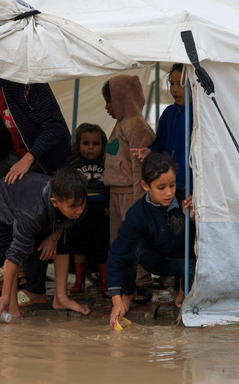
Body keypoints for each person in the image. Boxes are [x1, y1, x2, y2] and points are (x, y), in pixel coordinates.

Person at [0, 74, 71, 305]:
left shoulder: (31, 85)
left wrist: (29, 159)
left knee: (32, 214)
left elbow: (57, 129)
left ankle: (35, 289)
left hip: (44, 160)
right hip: (18, 155)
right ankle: (12, 262)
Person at [0, 167, 91, 319]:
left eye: (82, 203)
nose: (79, 210)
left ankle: (60, 298)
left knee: (63, 238)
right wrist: (5, 295)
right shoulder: (32, 214)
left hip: (33, 207)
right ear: (55, 202)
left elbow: (67, 222)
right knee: (13, 252)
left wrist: (54, 235)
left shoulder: (77, 203)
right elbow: (15, 254)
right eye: (73, 206)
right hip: (2, 208)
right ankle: (11, 307)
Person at [107, 153, 196, 328]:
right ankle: (128, 294)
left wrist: (194, 219)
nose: (169, 192)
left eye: (172, 185)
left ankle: (183, 291)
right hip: (154, 261)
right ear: (145, 186)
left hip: (183, 262)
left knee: (196, 260)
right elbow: (116, 256)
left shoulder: (187, 200)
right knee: (131, 247)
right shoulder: (137, 213)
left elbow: (203, 245)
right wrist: (116, 301)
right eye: (161, 187)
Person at [102, 75, 156, 303]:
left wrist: (139, 200)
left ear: (123, 99)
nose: (106, 107)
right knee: (119, 242)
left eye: (109, 101)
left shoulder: (136, 125)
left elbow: (139, 167)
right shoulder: (121, 123)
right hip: (116, 194)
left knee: (134, 239)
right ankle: (126, 283)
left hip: (130, 195)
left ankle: (141, 283)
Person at [131, 63, 193, 191]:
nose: (174, 89)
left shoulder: (202, 113)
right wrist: (150, 151)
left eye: (181, 84)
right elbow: (161, 143)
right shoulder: (168, 112)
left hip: (193, 184)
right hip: (170, 183)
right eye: (171, 84)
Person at [69, 123, 110, 296]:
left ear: (103, 146)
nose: (91, 148)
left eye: (95, 144)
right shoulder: (74, 163)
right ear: (78, 145)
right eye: (86, 144)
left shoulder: (107, 162)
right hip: (81, 211)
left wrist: (111, 203)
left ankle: (104, 281)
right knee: (80, 246)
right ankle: (79, 281)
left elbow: (112, 186)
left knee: (103, 246)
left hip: (102, 211)